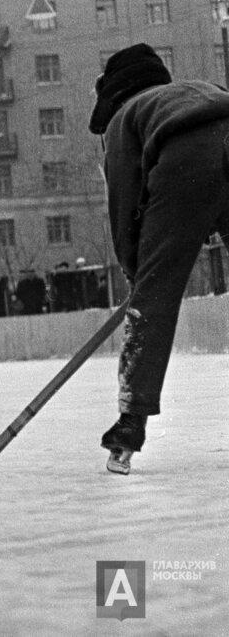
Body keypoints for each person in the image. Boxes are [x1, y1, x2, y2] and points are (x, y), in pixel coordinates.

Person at [88, 43, 229, 473]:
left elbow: (124, 206)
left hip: (188, 160)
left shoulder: (122, 119)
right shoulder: (198, 90)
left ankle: (130, 424)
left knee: (154, 299)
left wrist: (137, 274)